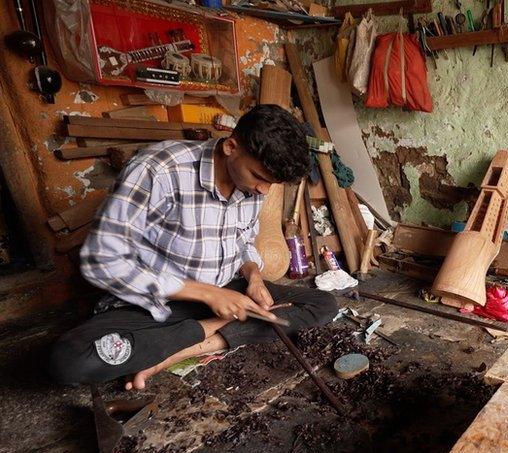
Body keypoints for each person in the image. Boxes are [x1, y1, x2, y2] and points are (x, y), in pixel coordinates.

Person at [49, 105, 337, 390]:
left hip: (227, 292)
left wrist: (253, 277)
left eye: (271, 183)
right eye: (259, 177)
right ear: (231, 146)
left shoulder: (251, 186)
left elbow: (244, 241)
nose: (263, 190)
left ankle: (171, 352)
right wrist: (208, 294)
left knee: (323, 305)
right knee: (70, 361)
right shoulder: (158, 169)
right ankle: (209, 329)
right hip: (157, 304)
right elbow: (102, 260)